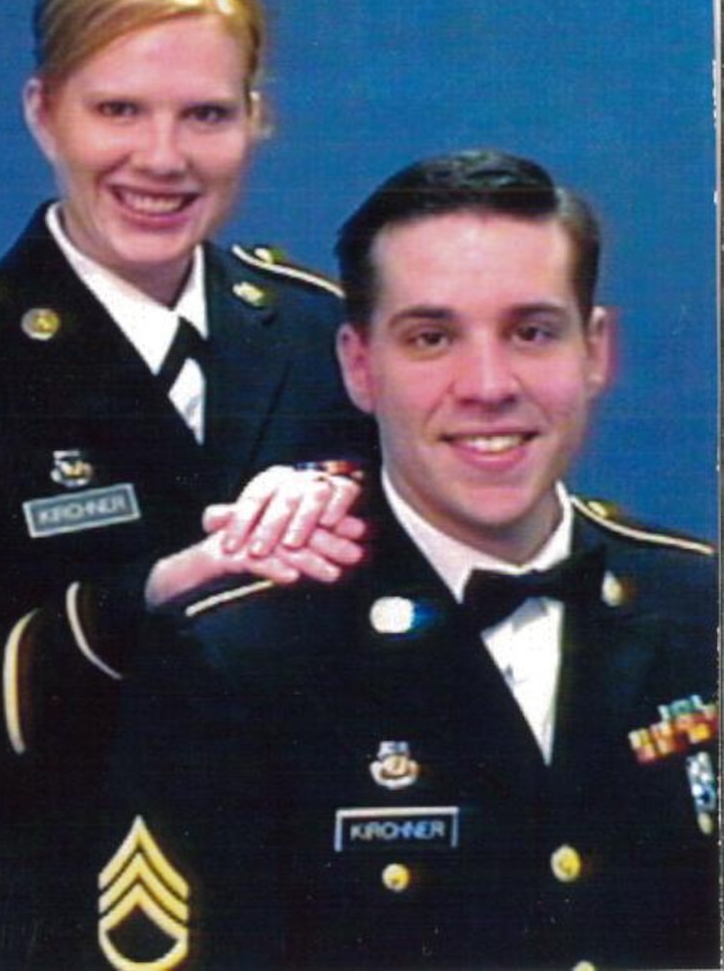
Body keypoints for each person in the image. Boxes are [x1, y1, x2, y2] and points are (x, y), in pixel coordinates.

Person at [0, 0, 374, 970]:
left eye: (204, 114)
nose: (162, 157)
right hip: (36, 932)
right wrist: (154, 588)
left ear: (255, 121)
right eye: (117, 110)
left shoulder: (329, 340)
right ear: (42, 112)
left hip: (301, 928)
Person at [103, 149, 719, 970]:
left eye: (531, 332)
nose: (487, 384)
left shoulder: (698, 608)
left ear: (594, 351)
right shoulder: (237, 661)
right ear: (359, 366)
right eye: (431, 337)